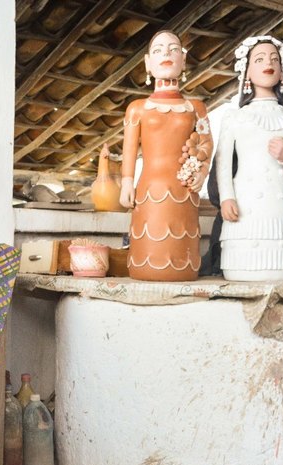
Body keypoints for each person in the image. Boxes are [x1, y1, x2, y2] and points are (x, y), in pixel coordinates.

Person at [120, 30, 213, 281]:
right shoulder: (136, 108)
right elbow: (129, 149)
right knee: (148, 248)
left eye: (173, 50)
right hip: (148, 188)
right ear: (148, 63)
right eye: (159, 50)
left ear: (183, 60)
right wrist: (127, 181)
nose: (166, 55)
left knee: (181, 249)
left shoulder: (196, 107)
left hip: (184, 187)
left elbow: (207, 144)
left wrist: (202, 173)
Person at [215, 36, 283, 281]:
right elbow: (223, 164)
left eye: (274, 59)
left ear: (282, 71)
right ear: (246, 71)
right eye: (259, 59)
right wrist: (226, 197)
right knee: (242, 262)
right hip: (245, 200)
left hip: (281, 201)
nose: (268, 62)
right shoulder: (234, 116)